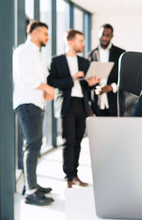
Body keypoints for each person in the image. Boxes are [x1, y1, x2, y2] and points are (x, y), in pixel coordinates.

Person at [48, 29, 100, 188]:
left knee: (78, 142)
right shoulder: (56, 61)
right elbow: (51, 81)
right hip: (67, 105)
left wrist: (92, 84)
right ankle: (68, 176)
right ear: (70, 42)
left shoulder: (85, 62)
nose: (83, 44)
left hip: (82, 105)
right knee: (68, 142)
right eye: (80, 41)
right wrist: (72, 79)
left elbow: (88, 85)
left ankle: (75, 175)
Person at [13, 20, 55, 205]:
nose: (47, 37)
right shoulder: (24, 50)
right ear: (35, 33)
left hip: (35, 102)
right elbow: (26, 77)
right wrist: (48, 88)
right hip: (27, 103)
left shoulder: (35, 53)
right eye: (45, 34)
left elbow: (36, 78)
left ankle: (32, 184)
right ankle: (30, 192)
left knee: (35, 144)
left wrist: (45, 91)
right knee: (32, 144)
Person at [88, 23, 125, 116]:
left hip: (115, 103)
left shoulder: (121, 54)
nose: (104, 38)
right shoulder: (91, 55)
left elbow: (126, 78)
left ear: (112, 36)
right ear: (98, 34)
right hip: (96, 104)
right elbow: (87, 81)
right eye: (102, 34)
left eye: (107, 35)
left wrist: (111, 87)